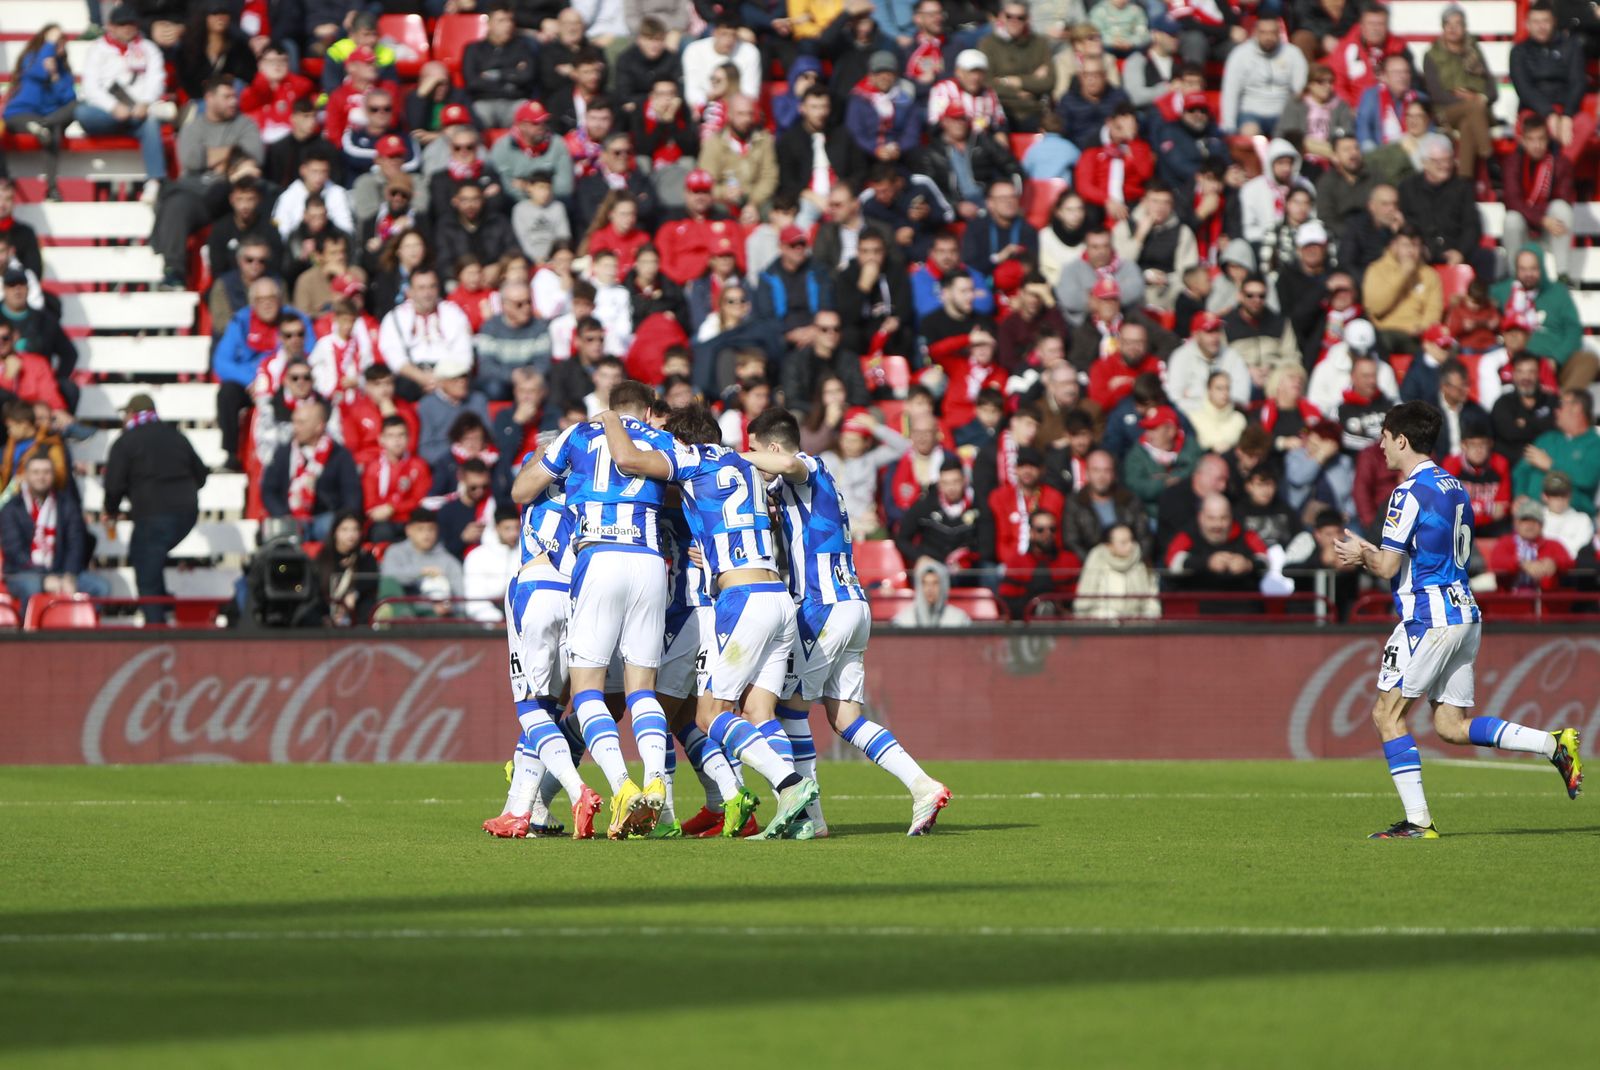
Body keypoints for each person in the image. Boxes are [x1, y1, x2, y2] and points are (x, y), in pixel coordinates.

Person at [1334, 400, 1583, 838]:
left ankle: (1418, 822)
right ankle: (1553, 744)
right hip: (1464, 610)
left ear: (1402, 440)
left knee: (1386, 716)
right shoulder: (1455, 485)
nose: (1381, 445)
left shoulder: (1407, 492)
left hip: (1430, 616)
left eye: (1386, 437)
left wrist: (1362, 554)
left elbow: (1389, 567)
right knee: (1450, 726)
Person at [590, 392, 820, 839]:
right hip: (778, 595)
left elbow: (629, 459)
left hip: (742, 599)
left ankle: (787, 785)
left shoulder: (692, 459)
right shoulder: (747, 464)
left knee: (709, 715)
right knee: (758, 710)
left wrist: (610, 419)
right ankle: (801, 819)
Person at [746, 407, 952, 835]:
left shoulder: (807, 465)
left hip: (823, 605)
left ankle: (810, 817)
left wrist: (731, 458)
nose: (753, 459)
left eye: (754, 451)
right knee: (845, 719)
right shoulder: (805, 486)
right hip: (853, 604)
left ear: (770, 446)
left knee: (786, 708)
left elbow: (786, 463)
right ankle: (922, 785)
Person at [102, 393, 207, 624]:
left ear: (130, 414)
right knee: (152, 557)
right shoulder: (176, 436)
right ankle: (165, 604)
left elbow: (114, 485)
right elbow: (201, 476)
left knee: (145, 567)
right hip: (186, 513)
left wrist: (110, 511)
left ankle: (156, 628)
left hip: (153, 514)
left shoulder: (125, 442)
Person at [78, 5, 171, 203]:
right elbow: (90, 87)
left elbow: (157, 79)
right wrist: (113, 107)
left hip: (138, 114)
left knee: (150, 123)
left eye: (131, 24)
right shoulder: (98, 49)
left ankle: (155, 181)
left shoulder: (148, 48)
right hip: (106, 115)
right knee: (82, 113)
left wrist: (145, 103)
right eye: (122, 25)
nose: (127, 29)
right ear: (111, 26)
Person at [0, 454, 110, 612]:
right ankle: (29, 635)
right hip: (22, 573)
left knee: (101, 587)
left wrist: (69, 574)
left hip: (62, 570)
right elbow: (14, 551)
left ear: (53, 475)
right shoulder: (12, 509)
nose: (41, 477)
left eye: (46, 472)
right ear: (26, 475)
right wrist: (45, 577)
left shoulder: (67, 505)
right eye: (36, 472)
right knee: (32, 587)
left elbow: (76, 543)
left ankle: (81, 634)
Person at [262, 397, 362, 542]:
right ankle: (283, 566)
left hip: (326, 517)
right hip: (290, 517)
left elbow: (351, 492)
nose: (295, 427)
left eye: (301, 423)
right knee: (279, 537)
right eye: (294, 421)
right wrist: (282, 513)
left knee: (335, 528)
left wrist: (345, 520)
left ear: (319, 426)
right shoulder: (283, 453)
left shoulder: (339, 454)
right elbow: (269, 490)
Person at [1490, 247, 1591, 389]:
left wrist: (1557, 358)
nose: (1528, 274)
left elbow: (1573, 331)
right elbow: (1478, 299)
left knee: (1588, 361)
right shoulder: (1505, 290)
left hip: (1554, 361)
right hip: (1518, 362)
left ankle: (1562, 405)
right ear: (1516, 270)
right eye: (1523, 269)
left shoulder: (1557, 292)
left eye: (1533, 269)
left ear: (1542, 268)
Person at [4, 24, 78, 202]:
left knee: (59, 124)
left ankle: (40, 127)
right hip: (21, 114)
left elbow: (69, 99)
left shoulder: (63, 72)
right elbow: (40, 71)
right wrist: (49, 47)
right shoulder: (31, 59)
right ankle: (39, 127)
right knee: (46, 129)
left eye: (61, 43)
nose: (59, 46)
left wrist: (55, 77)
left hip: (46, 118)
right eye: (55, 42)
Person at [1511, 2, 1590, 160]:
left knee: (1585, 124)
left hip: (1567, 108)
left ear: (1553, 22)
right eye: (1536, 22)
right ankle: (1549, 176)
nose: (1541, 27)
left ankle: (1560, 170)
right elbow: (1524, 88)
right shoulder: (1519, 51)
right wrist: (1549, 114)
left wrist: (1567, 115)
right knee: (1536, 132)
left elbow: (1578, 81)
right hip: (1534, 109)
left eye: (1545, 21)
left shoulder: (1571, 46)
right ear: (1527, 24)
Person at [1512, 389, 1600, 513]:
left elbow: (1586, 478)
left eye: (1561, 405)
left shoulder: (1594, 443)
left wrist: (1551, 465)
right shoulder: (1547, 439)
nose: (1556, 410)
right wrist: (1520, 494)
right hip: (1534, 516)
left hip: (1573, 516)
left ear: (1577, 408)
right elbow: (1521, 470)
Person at [1219, 16, 1309, 136]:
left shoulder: (1293, 54)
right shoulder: (1240, 54)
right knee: (1249, 132)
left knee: (1289, 136)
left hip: (1282, 112)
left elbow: (1300, 90)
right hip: (1250, 112)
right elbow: (1230, 92)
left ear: (1279, 33)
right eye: (1263, 32)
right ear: (1255, 33)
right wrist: (1229, 126)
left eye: (1272, 32)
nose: (1268, 37)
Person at [1361, 225, 1442, 351]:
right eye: (1405, 245)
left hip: (1414, 335)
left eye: (1415, 246)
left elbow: (1433, 310)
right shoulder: (1376, 269)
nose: (1410, 251)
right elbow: (1375, 307)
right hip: (1385, 331)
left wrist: (1422, 327)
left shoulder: (1429, 275)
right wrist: (1403, 275)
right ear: (1394, 246)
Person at [1064, 448, 1149, 559]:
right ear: (1087, 473)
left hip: (1128, 562)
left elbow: (1144, 538)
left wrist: (1131, 561)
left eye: (1107, 470)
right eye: (1096, 470)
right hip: (1092, 567)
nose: (1101, 476)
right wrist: (1095, 563)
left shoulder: (1129, 500)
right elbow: (1071, 541)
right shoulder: (1075, 502)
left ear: (1114, 474)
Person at [1073, 522, 1160, 620]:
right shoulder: (1096, 559)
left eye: (1131, 540)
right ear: (1109, 545)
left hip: (1136, 626)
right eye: (1124, 542)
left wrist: (1146, 619)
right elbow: (1084, 602)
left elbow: (1151, 600)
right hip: (1102, 625)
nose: (1130, 545)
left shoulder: (1141, 562)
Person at [314, 510, 380, 627]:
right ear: (335, 532)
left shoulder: (366, 557)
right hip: (327, 609)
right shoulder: (323, 558)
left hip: (357, 610)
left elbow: (370, 582)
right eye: (344, 529)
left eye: (355, 529)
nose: (351, 534)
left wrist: (354, 594)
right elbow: (317, 588)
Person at [893, 559, 972, 626]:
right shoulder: (903, 621)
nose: (929, 589)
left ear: (943, 586)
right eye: (925, 583)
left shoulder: (959, 619)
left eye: (935, 583)